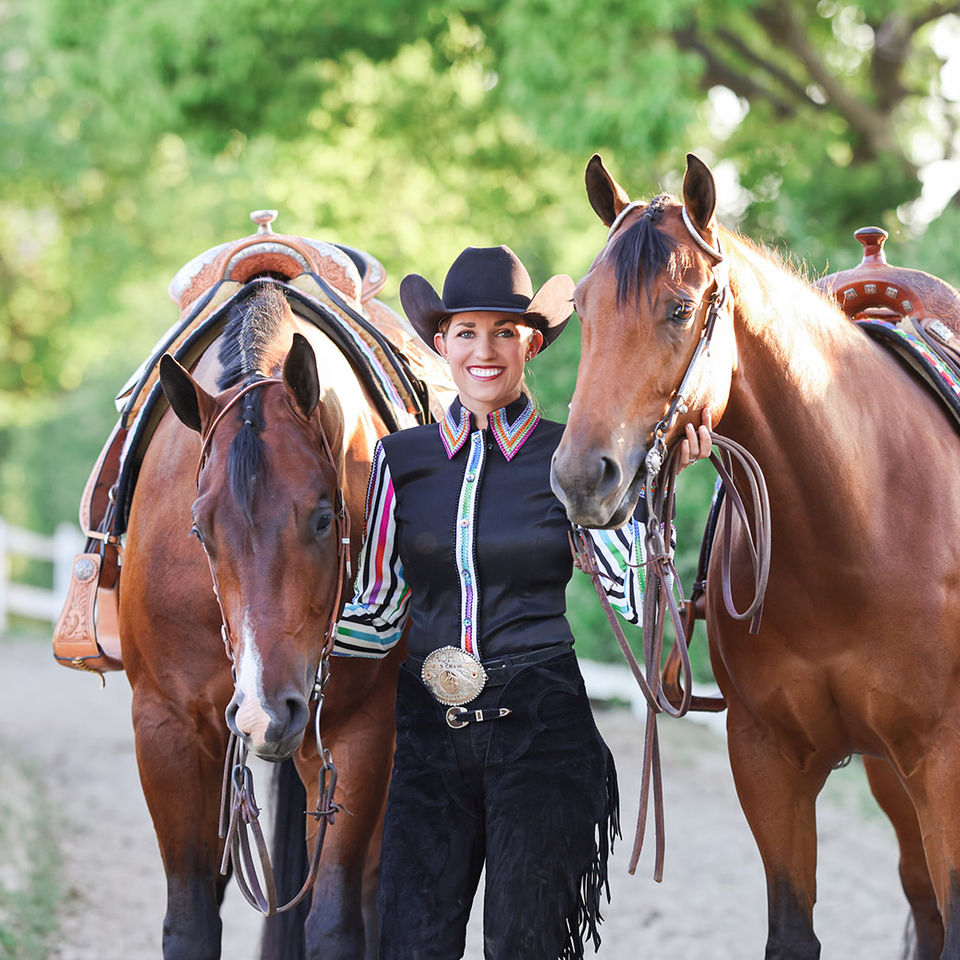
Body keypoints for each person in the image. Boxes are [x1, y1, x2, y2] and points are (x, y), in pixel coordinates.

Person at [332, 245, 710, 960]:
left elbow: (632, 598)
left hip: (540, 731)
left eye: (504, 332)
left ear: (530, 343)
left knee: (521, 945)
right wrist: (275, 661)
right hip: (428, 735)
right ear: (440, 343)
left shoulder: (565, 455)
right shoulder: (400, 461)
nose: (485, 350)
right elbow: (378, 611)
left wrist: (650, 491)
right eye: (467, 332)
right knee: (413, 944)